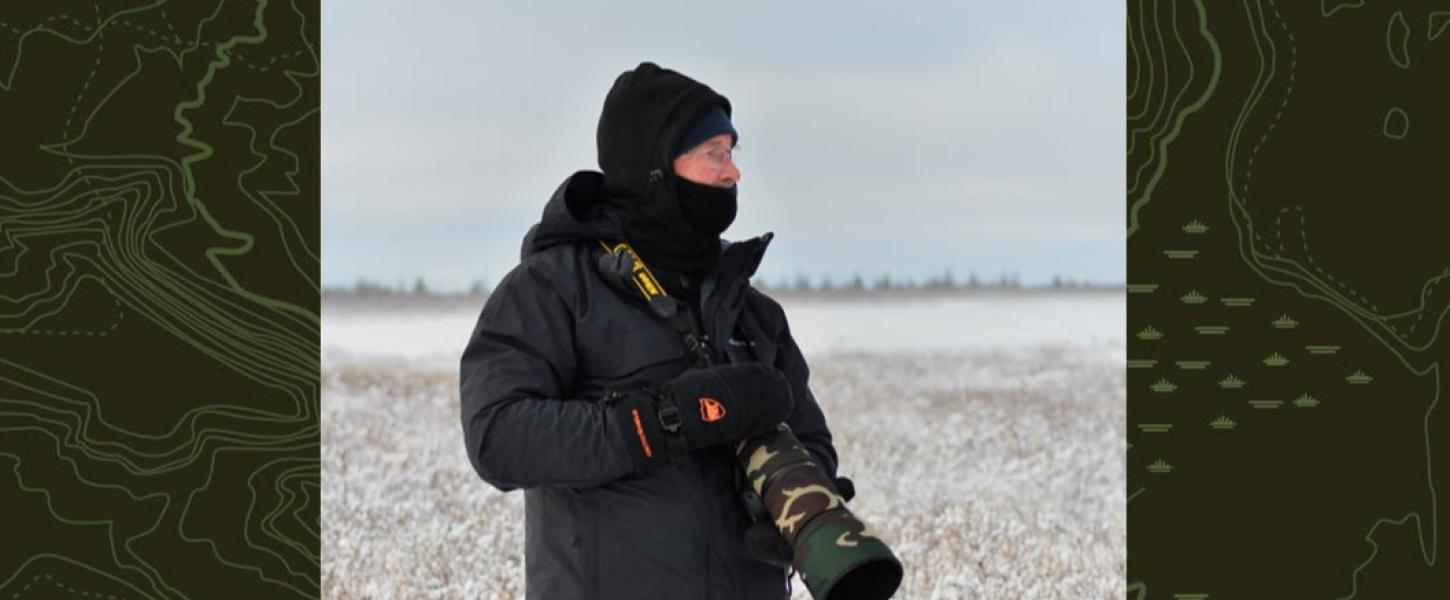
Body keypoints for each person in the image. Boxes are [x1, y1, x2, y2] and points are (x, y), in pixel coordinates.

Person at [460, 61, 850, 599]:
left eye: (732, 153)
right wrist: (663, 422)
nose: (732, 172)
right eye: (713, 153)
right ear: (656, 171)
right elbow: (498, 438)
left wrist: (797, 498)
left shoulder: (749, 309)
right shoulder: (552, 291)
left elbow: (812, 439)